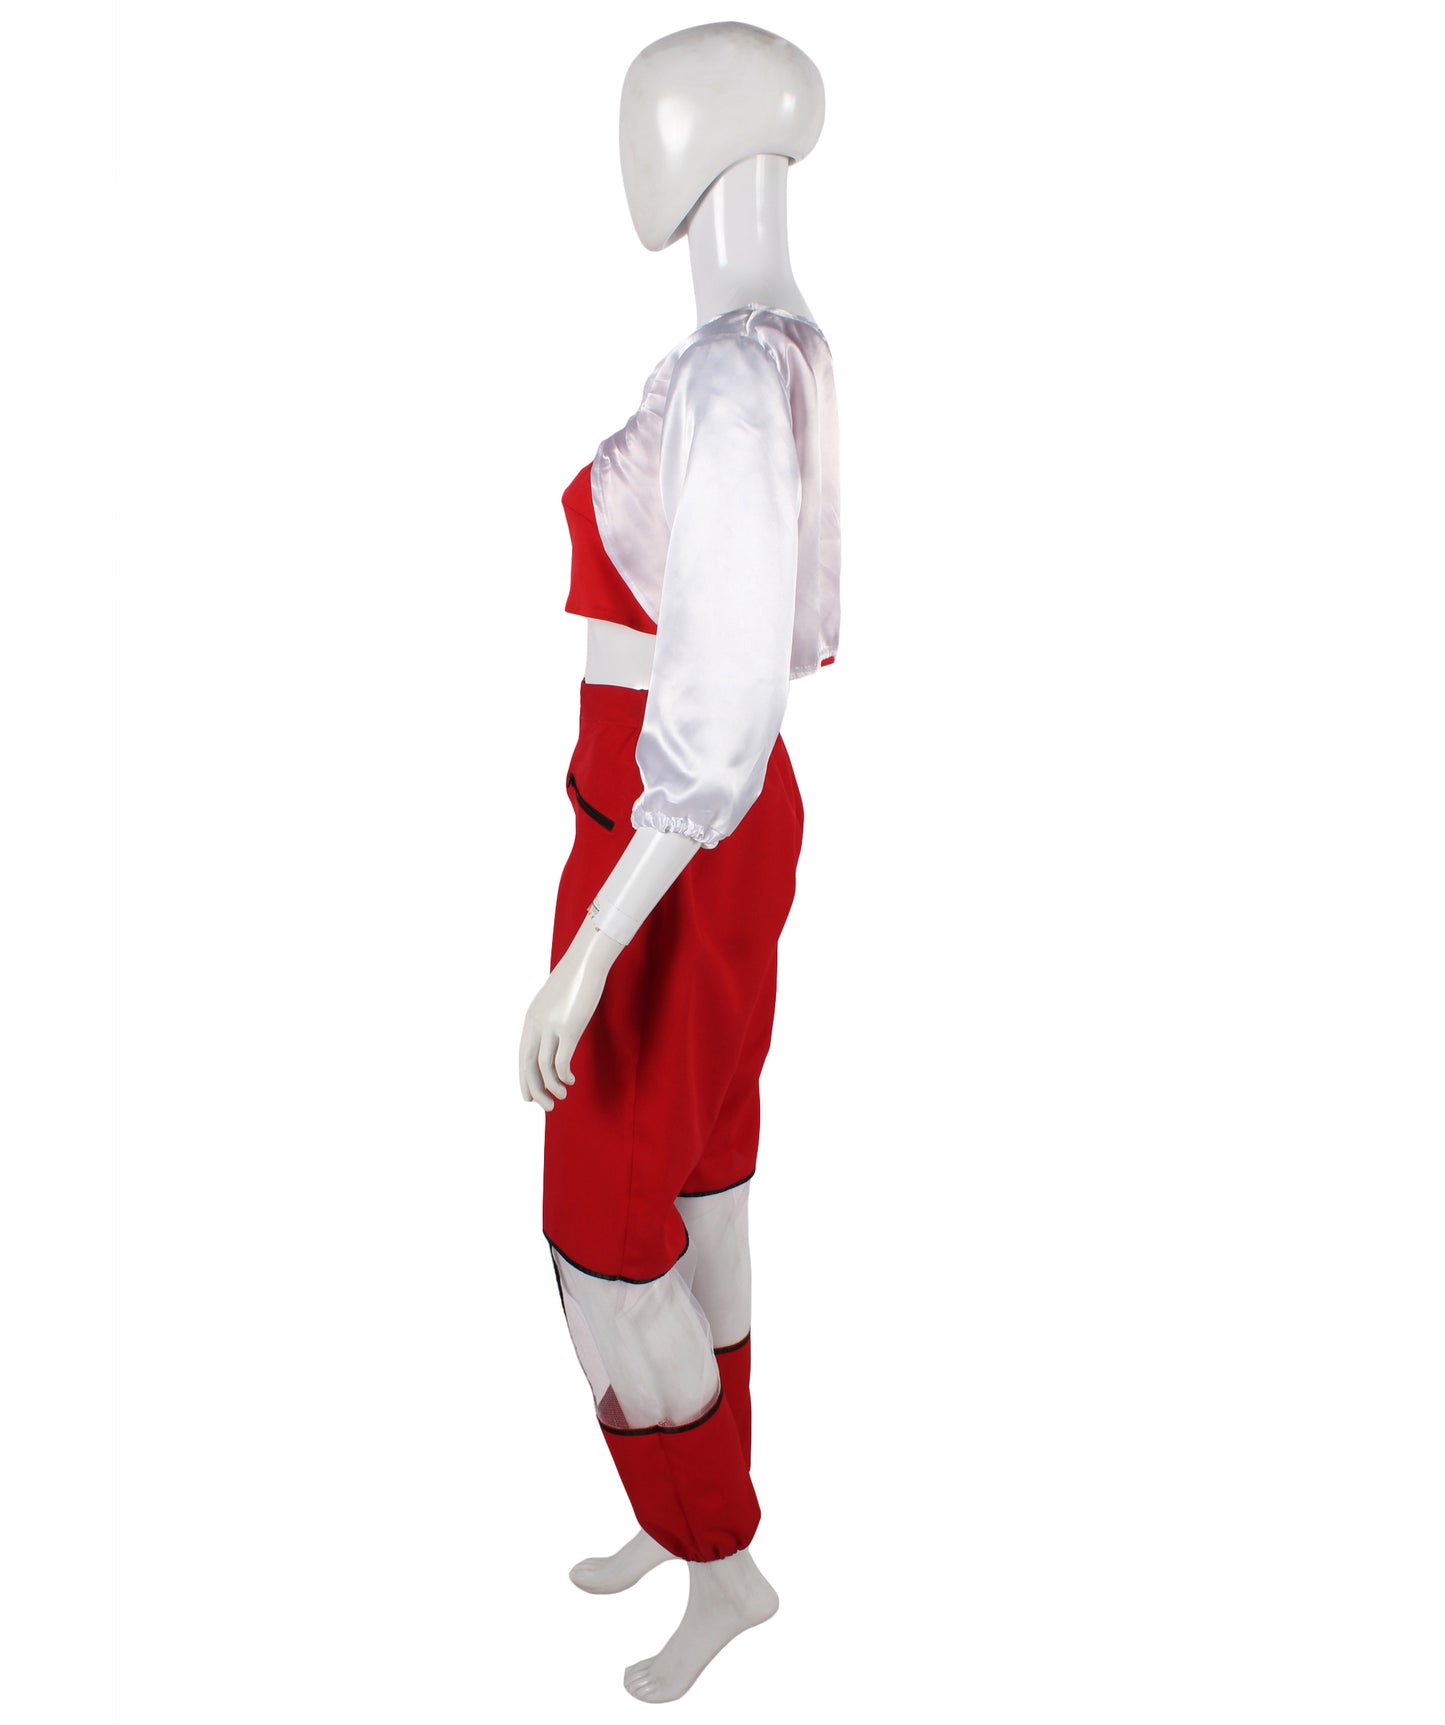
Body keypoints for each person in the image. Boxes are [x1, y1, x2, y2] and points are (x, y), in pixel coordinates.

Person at [517, 23, 840, 1704]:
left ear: (701, 138)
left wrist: (587, 950)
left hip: (662, 826)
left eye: (645, 118)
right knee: (700, 1180)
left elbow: (715, 707)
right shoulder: (775, 345)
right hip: (707, 823)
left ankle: (718, 1552)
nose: (628, 152)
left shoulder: (725, 375)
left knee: (599, 1220)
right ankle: (692, 1513)